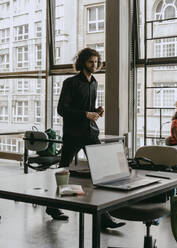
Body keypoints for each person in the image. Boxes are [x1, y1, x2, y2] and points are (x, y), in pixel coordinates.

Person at [45, 48, 125, 230]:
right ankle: (52, 206)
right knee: (63, 172)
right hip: (73, 134)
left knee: (101, 173)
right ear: (82, 62)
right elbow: (62, 110)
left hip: (90, 133)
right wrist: (85, 114)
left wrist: (96, 112)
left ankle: (104, 217)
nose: (94, 65)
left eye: (97, 62)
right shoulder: (70, 82)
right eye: (91, 62)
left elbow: (87, 110)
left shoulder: (94, 82)